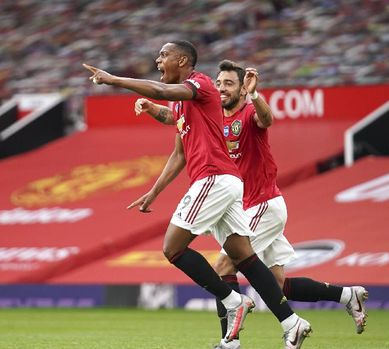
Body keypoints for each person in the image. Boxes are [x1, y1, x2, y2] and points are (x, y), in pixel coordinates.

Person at [83, 40, 311, 348]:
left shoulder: (201, 84)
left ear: (182, 60)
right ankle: (291, 323)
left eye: (164, 55)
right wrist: (153, 191)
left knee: (172, 248)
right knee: (244, 257)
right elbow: (179, 150)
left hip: (214, 178)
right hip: (227, 183)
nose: (157, 59)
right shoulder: (182, 103)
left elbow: (164, 91)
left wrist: (114, 80)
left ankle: (233, 301)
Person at [210, 59, 368, 349]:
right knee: (278, 284)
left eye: (229, 83)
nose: (221, 88)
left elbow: (266, 120)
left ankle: (230, 342)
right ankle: (347, 296)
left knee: (223, 264)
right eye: (218, 83)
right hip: (248, 206)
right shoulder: (217, 118)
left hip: (261, 204)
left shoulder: (248, 112)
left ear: (242, 89)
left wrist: (255, 95)